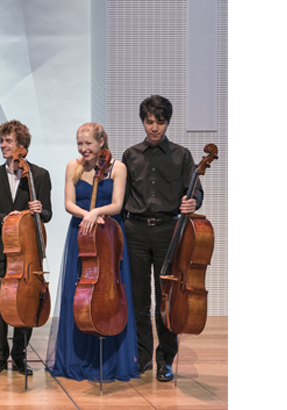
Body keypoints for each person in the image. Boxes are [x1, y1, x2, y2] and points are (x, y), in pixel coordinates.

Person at [44, 122, 139, 382]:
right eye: (80, 143)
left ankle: (110, 359)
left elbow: (118, 205)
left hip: (108, 234)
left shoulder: (117, 167)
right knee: (78, 291)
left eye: (88, 143)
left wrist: (97, 212)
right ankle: (76, 358)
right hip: (82, 233)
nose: (84, 148)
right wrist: (88, 215)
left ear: (101, 143)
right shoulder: (72, 167)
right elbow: (68, 203)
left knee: (109, 289)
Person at [119, 95, 203, 382]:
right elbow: (120, 196)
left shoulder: (182, 155)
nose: (154, 128)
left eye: (160, 122)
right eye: (149, 122)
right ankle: (142, 357)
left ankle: (165, 359)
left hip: (170, 231)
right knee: (139, 300)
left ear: (168, 122)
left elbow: (196, 192)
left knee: (166, 301)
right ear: (143, 122)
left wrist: (193, 203)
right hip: (136, 232)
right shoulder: (130, 155)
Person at [0, 120, 53, 377]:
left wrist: (39, 210)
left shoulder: (39, 175)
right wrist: (5, 218)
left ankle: (20, 356)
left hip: (29, 252)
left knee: (27, 302)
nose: (2, 145)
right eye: (1, 140)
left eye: (7, 141)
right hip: (2, 249)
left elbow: (48, 214)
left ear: (22, 146)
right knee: (0, 305)